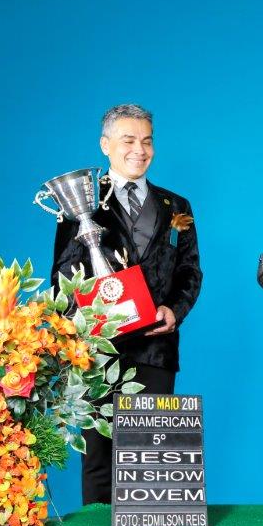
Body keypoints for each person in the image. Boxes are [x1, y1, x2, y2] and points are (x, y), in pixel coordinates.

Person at [51, 103, 203, 504]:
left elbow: (190, 271)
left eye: (147, 141)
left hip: (156, 347)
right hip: (98, 351)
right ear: (105, 145)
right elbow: (62, 277)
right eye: (128, 140)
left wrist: (174, 310)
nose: (140, 150)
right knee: (99, 459)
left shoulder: (178, 207)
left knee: (154, 459)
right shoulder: (79, 202)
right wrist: (84, 324)